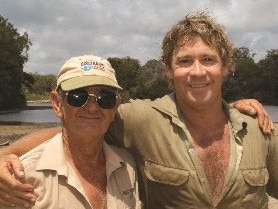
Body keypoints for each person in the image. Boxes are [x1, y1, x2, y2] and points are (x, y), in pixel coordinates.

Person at [0, 10, 276, 209]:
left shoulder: (259, 130)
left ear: (226, 66)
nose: (197, 71)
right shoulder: (143, 119)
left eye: (208, 59)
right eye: (184, 61)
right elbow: (82, 127)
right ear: (168, 70)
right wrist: (7, 153)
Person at [0, 55, 142, 209]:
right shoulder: (21, 178)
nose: (92, 107)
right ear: (57, 104)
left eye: (105, 98)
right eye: (78, 97)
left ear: (115, 106)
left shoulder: (127, 167)